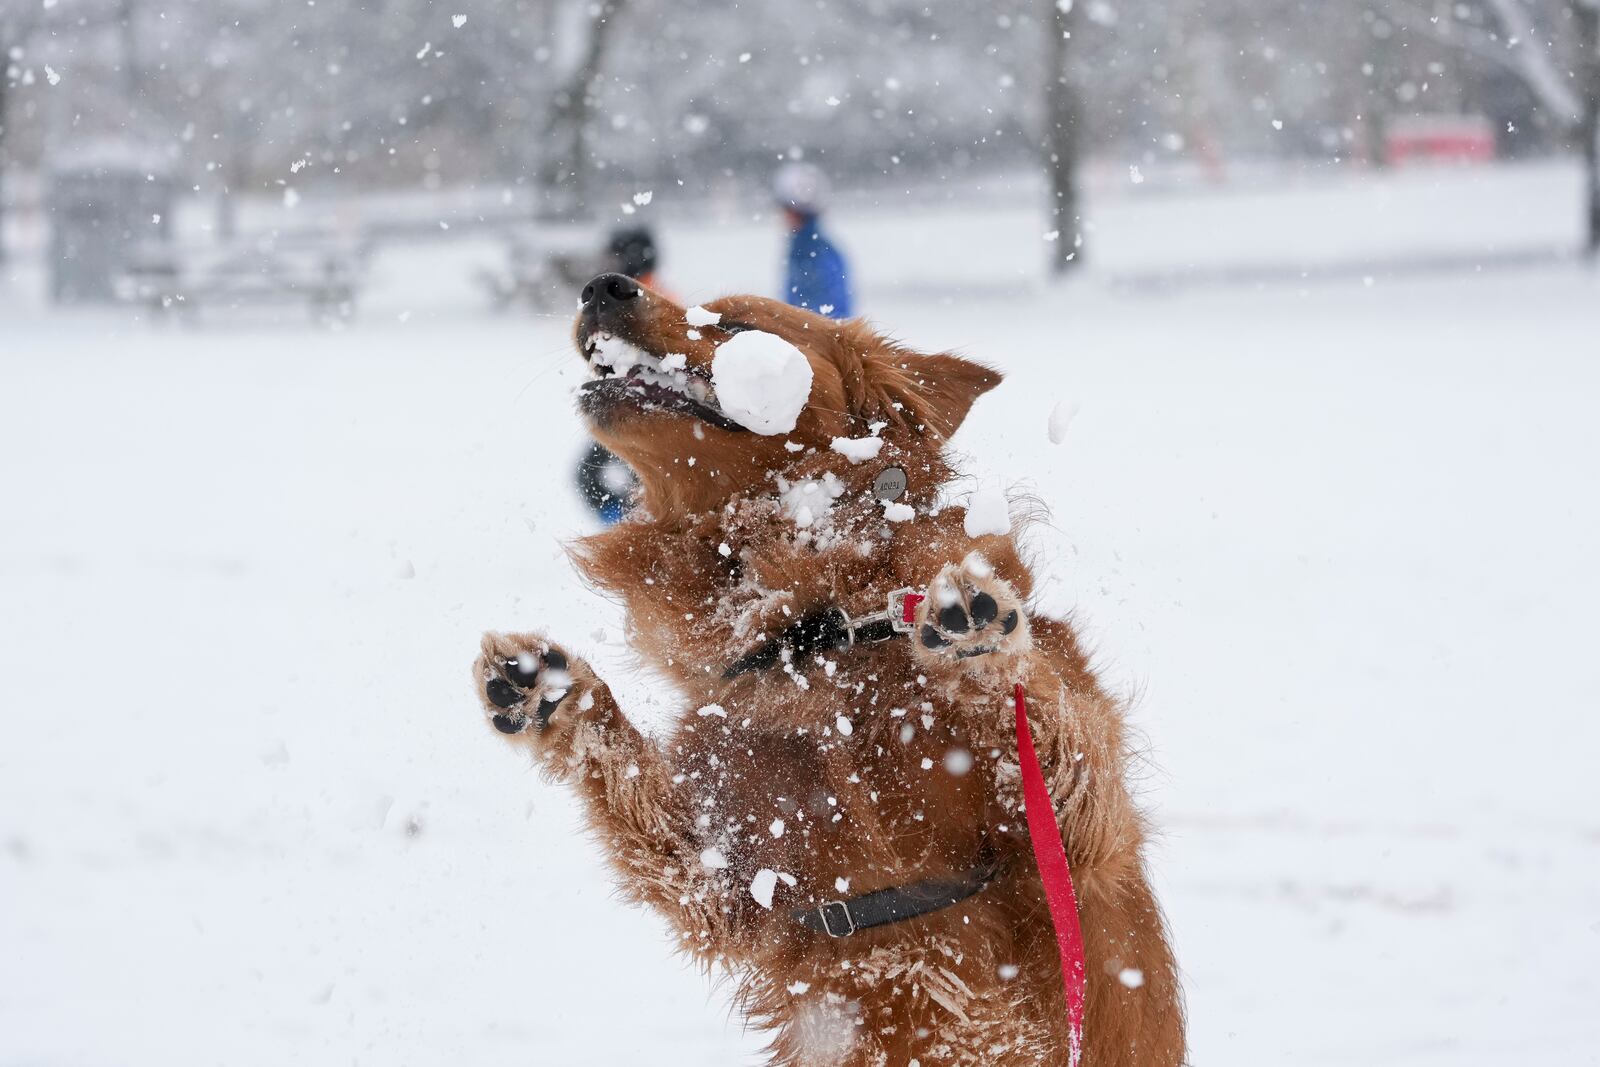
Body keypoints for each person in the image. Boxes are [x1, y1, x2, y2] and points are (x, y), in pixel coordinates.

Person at [574, 226, 661, 525]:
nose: (608, 263)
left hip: (641, 409)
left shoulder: (642, 301)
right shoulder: (650, 294)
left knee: (591, 474)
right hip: (634, 403)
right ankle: (630, 527)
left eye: (614, 257)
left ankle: (630, 529)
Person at [773, 163, 853, 318]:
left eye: (784, 209)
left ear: (796, 212)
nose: (780, 216)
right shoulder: (802, 249)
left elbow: (833, 316)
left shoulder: (814, 254)